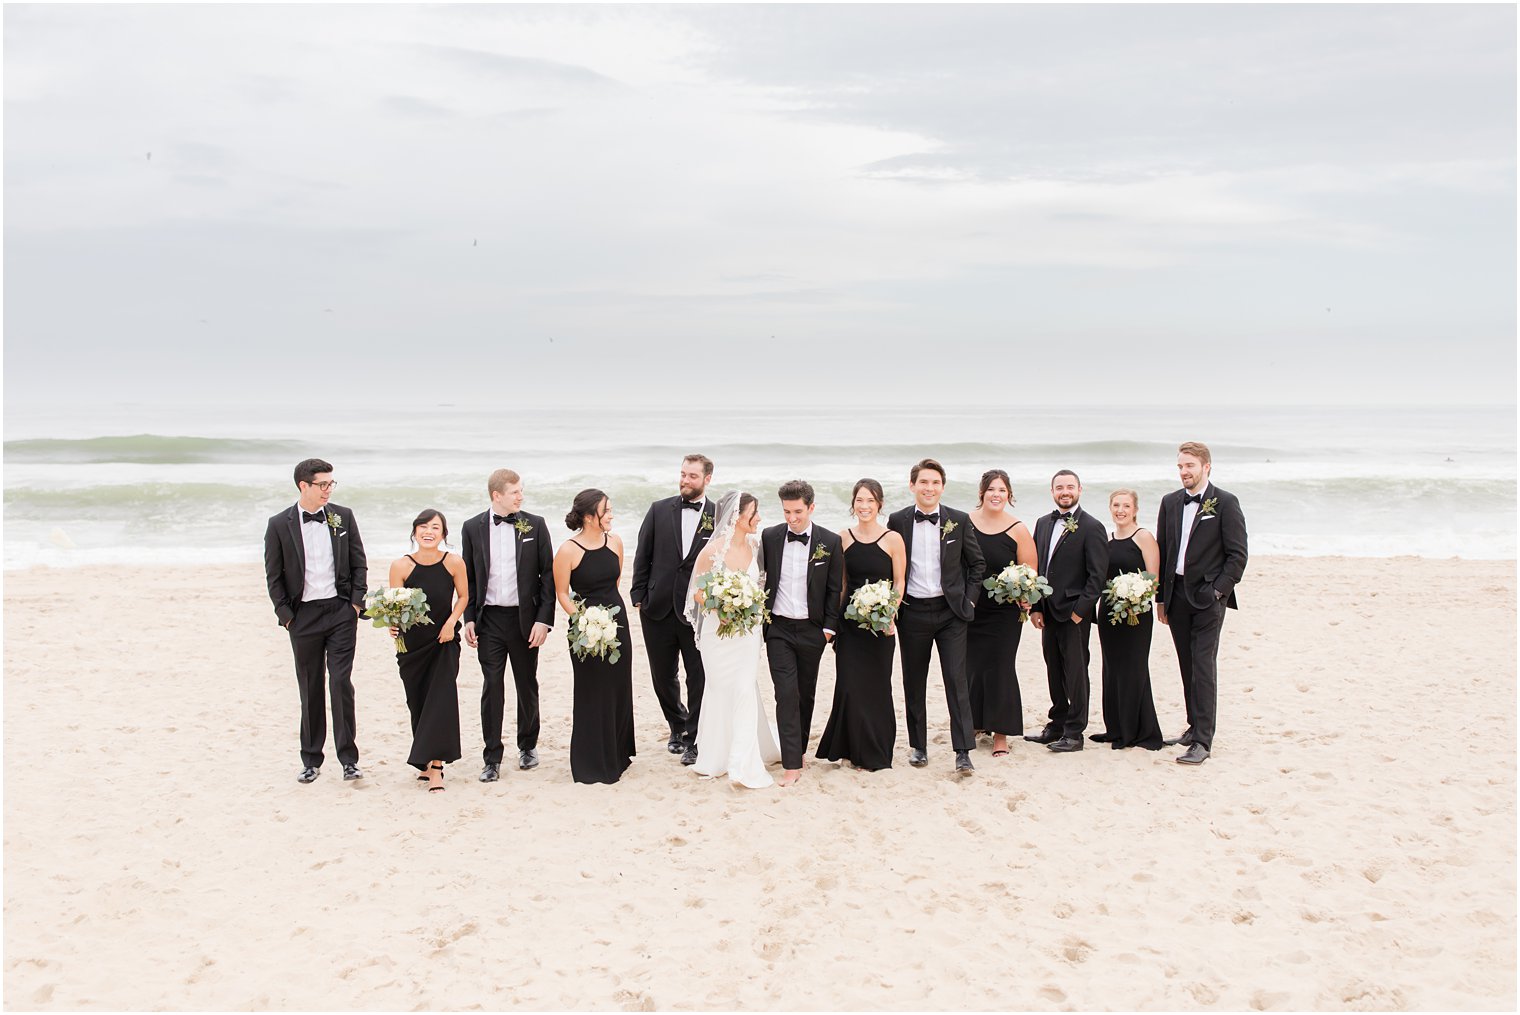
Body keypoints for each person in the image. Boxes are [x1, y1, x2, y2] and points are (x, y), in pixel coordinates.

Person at [263, 458, 368, 784]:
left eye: (331, 484)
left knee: (340, 683)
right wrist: (287, 617)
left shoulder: (343, 516)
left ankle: (349, 760)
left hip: (339, 612)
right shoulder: (279, 524)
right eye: (322, 484)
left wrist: (354, 604)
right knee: (309, 688)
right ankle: (311, 759)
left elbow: (358, 563)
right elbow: (274, 575)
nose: (328, 490)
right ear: (303, 486)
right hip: (303, 617)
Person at [887, 458, 986, 774]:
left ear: (942, 487)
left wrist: (968, 602)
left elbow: (977, 565)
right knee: (914, 681)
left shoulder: (958, 519)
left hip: (950, 613)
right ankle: (918, 747)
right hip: (912, 612)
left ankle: (962, 751)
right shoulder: (897, 520)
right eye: (923, 482)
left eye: (935, 483)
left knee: (956, 681)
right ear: (912, 485)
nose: (929, 488)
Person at [1155, 441, 1249, 766]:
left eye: (1190, 466)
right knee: (1186, 663)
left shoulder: (1225, 502)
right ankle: (1192, 726)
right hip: (1176, 595)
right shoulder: (1169, 503)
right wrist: (1161, 599)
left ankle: (1203, 741)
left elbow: (1238, 555)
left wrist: (1219, 592)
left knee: (1203, 665)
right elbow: (1164, 552)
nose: (1184, 472)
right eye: (1180, 466)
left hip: (1209, 599)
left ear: (1206, 467)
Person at [461, 469, 555, 781]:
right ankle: (492, 757)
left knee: (527, 684)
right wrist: (469, 619)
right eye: (515, 492)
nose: (521, 496)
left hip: (524, 619)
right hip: (489, 620)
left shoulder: (536, 525)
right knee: (492, 686)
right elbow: (470, 579)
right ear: (496, 495)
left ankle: (528, 745)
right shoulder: (471, 528)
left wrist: (543, 620)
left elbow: (548, 577)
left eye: (521, 491)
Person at [685, 492, 783, 788]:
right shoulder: (711, 551)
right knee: (719, 687)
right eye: (754, 514)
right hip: (718, 631)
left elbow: (760, 585)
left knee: (743, 686)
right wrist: (722, 606)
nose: (759, 519)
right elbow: (697, 592)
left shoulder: (756, 546)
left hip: (748, 632)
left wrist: (747, 604)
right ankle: (717, 755)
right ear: (736, 517)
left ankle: (742, 761)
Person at [632, 455, 717, 765]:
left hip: (698, 611)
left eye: (692, 476)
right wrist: (638, 594)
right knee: (662, 676)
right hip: (657, 608)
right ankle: (676, 726)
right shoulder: (658, 509)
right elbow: (643, 553)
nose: (685, 480)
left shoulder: (718, 514)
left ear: (708, 479)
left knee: (698, 675)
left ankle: (694, 738)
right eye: (682, 474)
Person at [816, 479, 905, 772]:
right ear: (853, 504)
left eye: (870, 500)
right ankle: (849, 749)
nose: (864, 506)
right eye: (859, 500)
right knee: (849, 687)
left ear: (879, 504)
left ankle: (875, 753)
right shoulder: (843, 538)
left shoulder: (893, 539)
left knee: (878, 687)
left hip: (880, 628)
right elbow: (841, 585)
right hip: (850, 628)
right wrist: (834, 621)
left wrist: (890, 612)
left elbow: (900, 581)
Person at [760, 480, 844, 786]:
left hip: (813, 631)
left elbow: (835, 588)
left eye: (797, 511)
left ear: (811, 507)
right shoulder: (769, 537)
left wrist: (828, 630)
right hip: (779, 628)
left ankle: (799, 749)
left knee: (805, 694)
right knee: (785, 694)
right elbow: (759, 576)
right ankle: (792, 764)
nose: (792, 518)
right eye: (786, 511)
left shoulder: (830, 541)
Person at [554, 489, 636, 785]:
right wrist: (582, 619)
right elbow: (562, 592)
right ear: (590, 517)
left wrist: (608, 620)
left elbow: (613, 583)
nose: (612, 515)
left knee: (617, 688)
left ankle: (617, 754)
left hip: (618, 624)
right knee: (592, 692)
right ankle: (591, 761)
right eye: (607, 511)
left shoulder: (615, 542)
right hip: (585, 631)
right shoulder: (568, 550)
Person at [1026, 470, 1109, 753]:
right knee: (1053, 668)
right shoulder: (1042, 523)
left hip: (1074, 612)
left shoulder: (1092, 526)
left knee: (1075, 671)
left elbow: (1097, 576)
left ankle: (1075, 732)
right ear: (1052, 492)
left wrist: (1081, 611)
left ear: (1079, 490)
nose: (1065, 491)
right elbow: (1037, 570)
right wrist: (1036, 607)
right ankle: (1057, 723)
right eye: (1059, 487)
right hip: (1047, 611)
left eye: (1070, 487)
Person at [387, 510, 467, 792]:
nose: (429, 531)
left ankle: (436, 768)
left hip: (443, 642)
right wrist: (391, 625)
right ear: (414, 532)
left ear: (444, 534)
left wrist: (450, 624)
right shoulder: (401, 566)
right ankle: (423, 761)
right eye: (423, 526)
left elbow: (464, 596)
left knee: (441, 701)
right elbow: (394, 605)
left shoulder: (454, 562)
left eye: (435, 527)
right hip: (411, 644)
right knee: (417, 701)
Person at [966, 469, 1037, 757]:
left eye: (1002, 490)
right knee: (972, 667)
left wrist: (1024, 596)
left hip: (1004, 613)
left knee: (1001, 667)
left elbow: (1030, 570)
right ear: (982, 492)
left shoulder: (1017, 528)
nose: (997, 494)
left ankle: (1001, 734)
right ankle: (974, 723)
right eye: (992, 489)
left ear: (1009, 495)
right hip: (971, 607)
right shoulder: (964, 522)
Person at [1091, 489, 1164, 751]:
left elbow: (1153, 579)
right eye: (1116, 505)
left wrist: (1135, 594)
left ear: (1135, 510)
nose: (1120, 510)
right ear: (1110, 508)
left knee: (1133, 668)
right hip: (1109, 614)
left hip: (1136, 613)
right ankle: (1116, 728)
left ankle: (1136, 731)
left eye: (1126, 505)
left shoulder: (1143, 537)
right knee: (1112, 669)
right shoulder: (1106, 541)